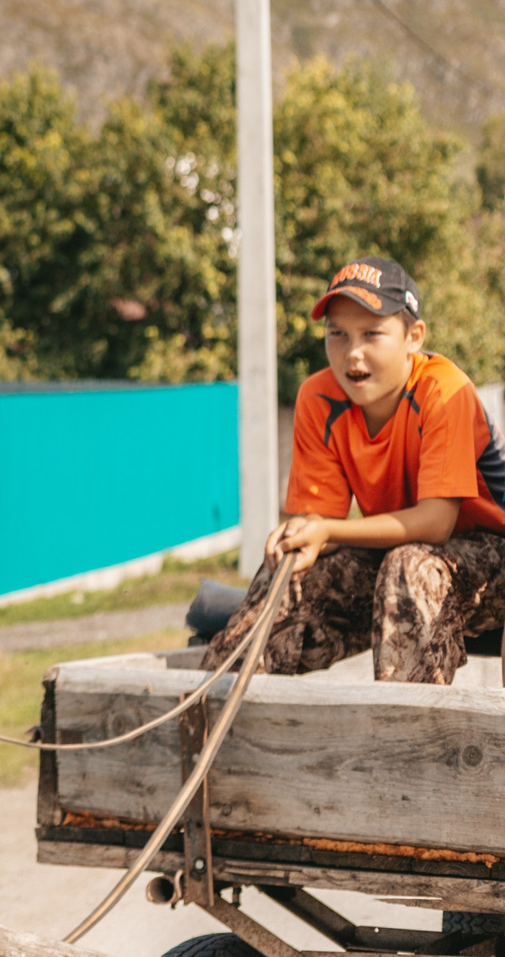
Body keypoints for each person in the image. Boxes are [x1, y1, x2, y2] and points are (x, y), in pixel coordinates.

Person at [201, 256, 505, 683]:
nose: (353, 352)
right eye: (338, 334)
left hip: (490, 558)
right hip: (403, 558)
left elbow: (436, 523)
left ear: (413, 337)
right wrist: (304, 536)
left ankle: (409, 738)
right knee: (292, 570)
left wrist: (328, 531)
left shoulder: (444, 390)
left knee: (409, 566)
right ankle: (213, 716)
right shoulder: (318, 397)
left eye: (372, 334)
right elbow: (319, 520)